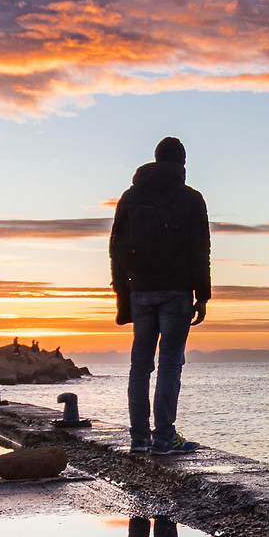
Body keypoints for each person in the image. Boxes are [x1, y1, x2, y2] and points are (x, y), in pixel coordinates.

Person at [108, 135, 210, 453]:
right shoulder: (191, 199)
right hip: (177, 292)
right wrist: (202, 295)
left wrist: (122, 296)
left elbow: (115, 249)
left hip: (139, 291)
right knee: (169, 362)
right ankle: (164, 437)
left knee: (140, 364)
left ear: (154, 159)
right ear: (182, 164)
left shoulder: (130, 197)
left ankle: (139, 439)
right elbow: (200, 250)